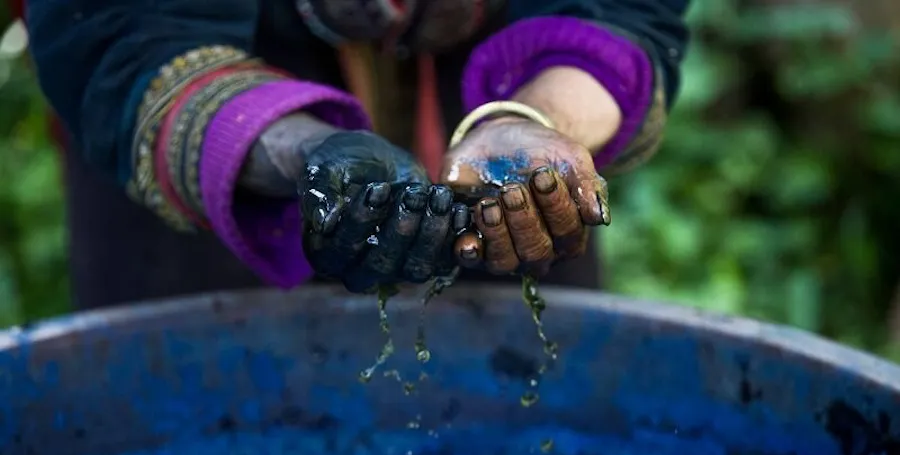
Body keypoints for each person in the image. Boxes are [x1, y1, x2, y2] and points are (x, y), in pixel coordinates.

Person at [16, 0, 691, 309]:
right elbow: (126, 39)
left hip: (509, 67)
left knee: (528, 443)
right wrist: (305, 154)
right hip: (218, 99)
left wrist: (533, 123)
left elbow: (622, 12)